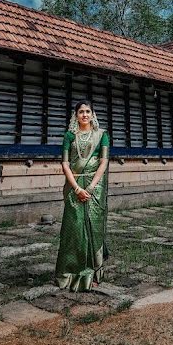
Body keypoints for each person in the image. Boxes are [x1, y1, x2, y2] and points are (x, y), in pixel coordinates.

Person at [54, 100, 110, 291]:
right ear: (75, 115)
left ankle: (93, 272)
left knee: (94, 227)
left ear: (92, 114)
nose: (84, 115)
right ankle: (70, 273)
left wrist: (92, 187)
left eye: (88, 111)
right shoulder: (69, 136)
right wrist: (77, 188)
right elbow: (65, 164)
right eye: (81, 112)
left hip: (95, 187)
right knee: (74, 229)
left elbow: (103, 162)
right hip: (74, 187)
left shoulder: (102, 135)